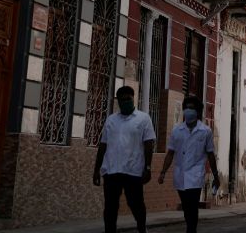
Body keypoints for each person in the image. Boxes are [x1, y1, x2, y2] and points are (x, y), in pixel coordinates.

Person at [94, 86, 156, 233]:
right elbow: (103, 145)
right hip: (112, 170)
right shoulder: (111, 120)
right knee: (110, 207)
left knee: (135, 204)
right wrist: (96, 170)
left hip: (132, 171)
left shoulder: (143, 118)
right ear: (118, 101)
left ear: (133, 99)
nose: (126, 101)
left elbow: (149, 144)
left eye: (128, 98)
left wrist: (147, 168)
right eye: (122, 99)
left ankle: (142, 229)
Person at [158, 96, 220, 233]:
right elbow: (170, 153)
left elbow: (210, 154)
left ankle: (191, 229)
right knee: (186, 207)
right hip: (180, 175)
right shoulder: (177, 131)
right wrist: (162, 172)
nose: (188, 110)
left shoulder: (205, 131)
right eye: (186, 108)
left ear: (197, 111)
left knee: (192, 205)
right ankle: (190, 227)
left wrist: (216, 176)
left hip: (196, 175)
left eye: (191, 108)